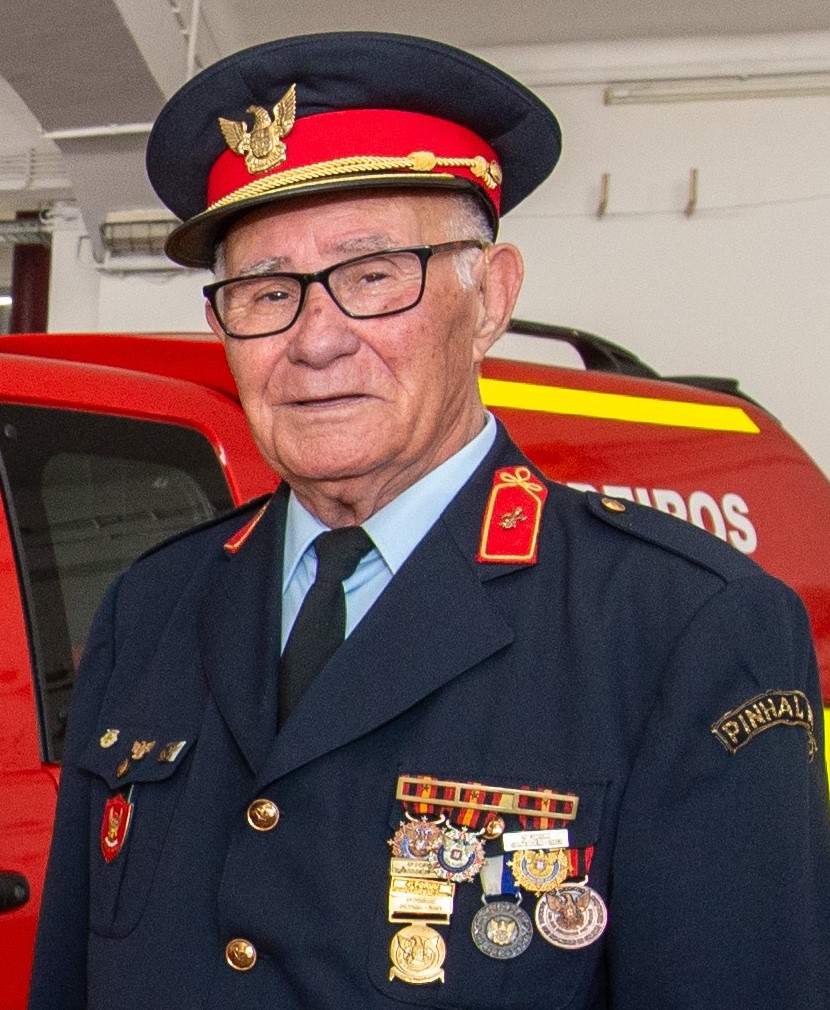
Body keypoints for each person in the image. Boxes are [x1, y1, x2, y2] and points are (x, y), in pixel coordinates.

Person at [28, 31, 830, 1010]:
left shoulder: (681, 627)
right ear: (221, 326)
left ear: (489, 297)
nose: (315, 339)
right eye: (266, 291)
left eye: (372, 275)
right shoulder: (150, 606)